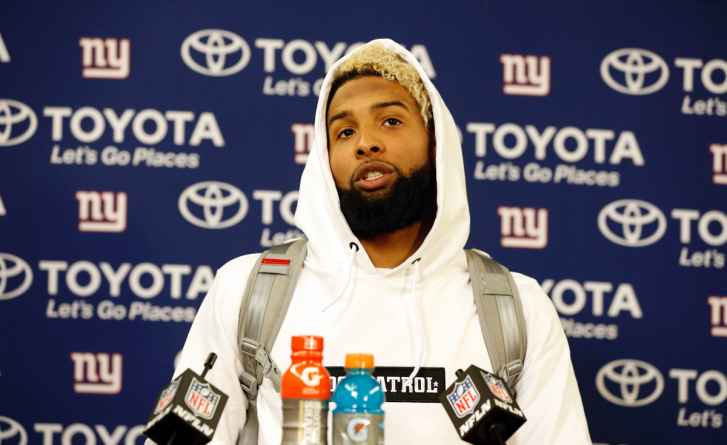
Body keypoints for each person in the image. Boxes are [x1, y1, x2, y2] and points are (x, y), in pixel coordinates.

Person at [162, 39, 592, 444]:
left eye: (390, 120)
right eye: (344, 132)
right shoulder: (249, 291)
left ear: (435, 144)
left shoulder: (516, 308)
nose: (366, 142)